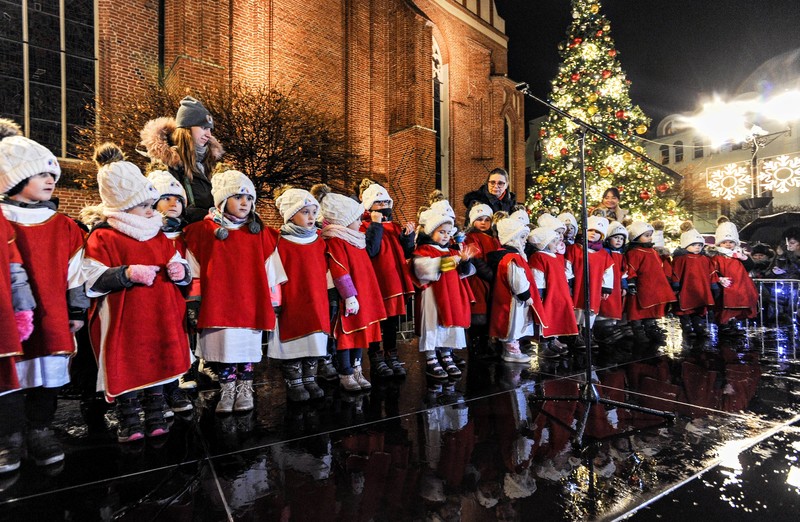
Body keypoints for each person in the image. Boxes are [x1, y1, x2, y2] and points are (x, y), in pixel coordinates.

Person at [81, 143, 191, 442]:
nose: (151, 211)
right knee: (127, 362)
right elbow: (91, 276)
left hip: (159, 314)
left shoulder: (156, 233)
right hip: (126, 316)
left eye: (150, 204)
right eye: (144, 205)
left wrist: (180, 270)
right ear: (123, 205)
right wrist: (126, 274)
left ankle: (156, 412)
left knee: (158, 359)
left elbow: (174, 260)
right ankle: (129, 417)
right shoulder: (104, 236)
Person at [0, 121, 85, 470]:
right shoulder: (2, 219)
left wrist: (76, 309)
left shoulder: (63, 225)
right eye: (42, 174)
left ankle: (39, 429)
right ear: (15, 178)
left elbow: (76, 271)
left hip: (51, 313)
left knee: (46, 372)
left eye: (54, 175)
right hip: (8, 315)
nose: (51, 180)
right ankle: (8, 437)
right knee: (8, 373)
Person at [183, 169, 280, 413]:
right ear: (223, 201)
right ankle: (227, 391)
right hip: (217, 303)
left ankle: (245, 389)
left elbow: (271, 269)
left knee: (245, 349)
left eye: (249, 198)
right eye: (238, 197)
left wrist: (273, 301)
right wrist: (194, 302)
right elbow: (194, 269)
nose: (245, 203)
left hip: (250, 303)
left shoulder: (260, 233)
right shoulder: (202, 232)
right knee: (225, 349)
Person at [311, 184, 386, 392]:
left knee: (360, 333)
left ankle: (357, 369)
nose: (361, 223)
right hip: (348, 299)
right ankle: (346, 372)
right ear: (344, 221)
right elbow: (339, 269)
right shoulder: (337, 241)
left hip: (363, 295)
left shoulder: (355, 239)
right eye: (357, 219)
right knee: (346, 335)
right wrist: (350, 296)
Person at [267, 186, 330, 401]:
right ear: (291, 215)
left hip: (316, 300)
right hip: (291, 300)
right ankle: (294, 381)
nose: (311, 217)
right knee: (293, 342)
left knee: (314, 340)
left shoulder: (319, 241)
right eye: (305, 212)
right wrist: (275, 301)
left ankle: (310, 378)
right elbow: (273, 273)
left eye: (314, 212)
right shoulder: (280, 241)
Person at [145, 167, 196, 413]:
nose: (174, 203)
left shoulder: (187, 234)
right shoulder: (147, 233)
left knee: (177, 342)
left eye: (178, 199)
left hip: (181, 298)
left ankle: (174, 386)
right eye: (166, 198)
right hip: (154, 297)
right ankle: (155, 394)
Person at [358, 180, 415, 377]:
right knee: (376, 321)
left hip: (393, 281)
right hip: (375, 282)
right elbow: (371, 250)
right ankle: (375, 356)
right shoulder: (363, 226)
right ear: (369, 205)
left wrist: (408, 237)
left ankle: (392, 354)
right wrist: (375, 224)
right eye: (378, 202)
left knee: (391, 321)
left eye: (385, 202)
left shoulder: (395, 226)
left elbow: (406, 252)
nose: (383, 206)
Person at [412, 208, 475, 380]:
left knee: (450, 325)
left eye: (448, 232)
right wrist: (453, 261)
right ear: (431, 232)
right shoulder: (424, 250)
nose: (446, 236)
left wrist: (465, 262)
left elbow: (465, 273)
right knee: (433, 325)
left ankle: (447, 355)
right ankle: (431, 358)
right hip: (433, 296)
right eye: (441, 232)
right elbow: (424, 270)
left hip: (452, 294)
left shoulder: (453, 251)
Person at [140, 96, 223, 223]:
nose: (209, 134)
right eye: (204, 127)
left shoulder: (211, 164)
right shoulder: (166, 167)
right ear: (186, 128)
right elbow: (164, 210)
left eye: (210, 129)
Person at [487, 217, 545, 364]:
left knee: (515, 325)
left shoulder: (511, 256)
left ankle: (512, 349)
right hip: (515, 300)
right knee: (513, 325)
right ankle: (511, 351)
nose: (525, 241)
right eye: (522, 237)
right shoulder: (512, 259)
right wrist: (526, 295)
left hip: (514, 298)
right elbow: (517, 280)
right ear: (512, 239)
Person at [565, 216, 614, 350]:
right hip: (578, 285)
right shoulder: (575, 249)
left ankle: (587, 333)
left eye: (597, 232)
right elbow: (567, 265)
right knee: (577, 309)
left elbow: (608, 272)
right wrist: (569, 280)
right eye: (590, 230)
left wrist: (606, 288)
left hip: (594, 287)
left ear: (601, 236)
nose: (593, 233)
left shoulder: (603, 254)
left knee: (591, 310)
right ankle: (576, 335)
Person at [527, 226, 576, 358]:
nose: (557, 243)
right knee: (545, 319)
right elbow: (537, 276)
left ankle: (552, 341)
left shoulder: (554, 256)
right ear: (544, 243)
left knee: (555, 317)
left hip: (558, 293)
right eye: (553, 241)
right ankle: (543, 346)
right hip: (548, 294)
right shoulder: (538, 257)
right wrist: (540, 294)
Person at [624, 221, 676, 344]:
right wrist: (631, 282)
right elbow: (631, 268)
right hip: (641, 286)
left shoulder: (652, 251)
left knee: (652, 308)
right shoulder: (634, 252)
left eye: (650, 235)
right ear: (636, 237)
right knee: (637, 309)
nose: (650, 238)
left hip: (653, 286)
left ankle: (650, 327)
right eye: (646, 235)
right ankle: (638, 330)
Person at [709, 217, 758, 336]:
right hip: (726, 286)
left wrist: (744, 258)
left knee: (738, 306)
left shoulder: (739, 254)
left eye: (731, 242)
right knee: (725, 307)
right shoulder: (717, 256)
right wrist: (719, 279)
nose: (728, 244)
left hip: (740, 285)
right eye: (725, 242)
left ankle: (733, 324)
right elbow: (712, 270)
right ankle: (724, 325)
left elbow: (749, 267)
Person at [463, 203, 500, 357]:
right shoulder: (471, 237)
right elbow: (476, 260)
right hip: (478, 280)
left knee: (489, 314)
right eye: (479, 219)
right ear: (473, 221)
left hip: (491, 281)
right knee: (478, 313)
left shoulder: (494, 238)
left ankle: (486, 344)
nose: (483, 223)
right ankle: (476, 346)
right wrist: (491, 275)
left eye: (487, 219)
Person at [671, 221, 717, 337]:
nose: (697, 247)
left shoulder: (704, 259)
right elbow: (676, 272)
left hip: (701, 289)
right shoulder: (681, 259)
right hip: (686, 288)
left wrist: (713, 284)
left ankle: (698, 326)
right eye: (694, 244)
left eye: (700, 245)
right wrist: (676, 285)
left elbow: (711, 272)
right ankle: (686, 326)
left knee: (698, 308)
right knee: (685, 309)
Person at [595, 221, 628, 345]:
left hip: (617, 286)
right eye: (616, 237)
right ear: (608, 239)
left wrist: (624, 285)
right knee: (606, 305)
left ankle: (611, 327)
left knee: (614, 306)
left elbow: (623, 272)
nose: (619, 241)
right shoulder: (606, 252)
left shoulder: (621, 254)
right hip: (607, 285)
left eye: (621, 239)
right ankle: (603, 329)